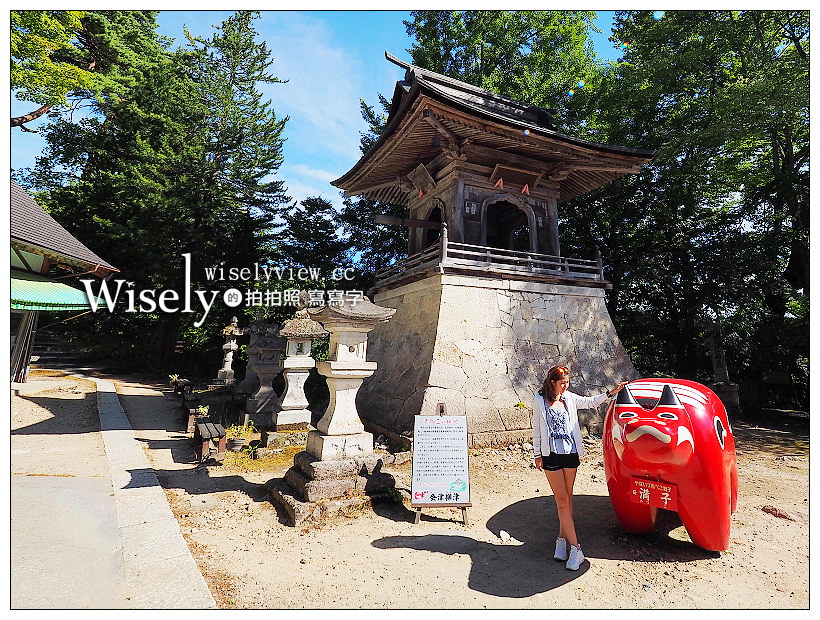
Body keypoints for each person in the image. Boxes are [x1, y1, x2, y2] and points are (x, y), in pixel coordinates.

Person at [532, 365, 628, 570]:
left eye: (567, 382)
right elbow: (537, 427)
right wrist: (537, 454)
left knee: (567, 498)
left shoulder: (569, 398)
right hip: (551, 456)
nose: (566, 386)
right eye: (562, 383)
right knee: (562, 501)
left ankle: (561, 542)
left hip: (570, 453)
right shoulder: (539, 399)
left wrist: (612, 392)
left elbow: (591, 402)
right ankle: (576, 549)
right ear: (552, 382)